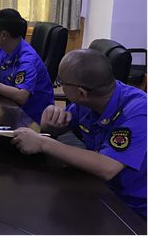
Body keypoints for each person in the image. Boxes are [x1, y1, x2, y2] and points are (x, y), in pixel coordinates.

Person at [12, 49, 148, 221]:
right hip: (100, 190)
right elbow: (58, 128)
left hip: (134, 209)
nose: (59, 85)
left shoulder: (138, 112)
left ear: (81, 93)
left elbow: (107, 167)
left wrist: (42, 143)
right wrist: (48, 123)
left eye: (60, 82)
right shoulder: (90, 100)